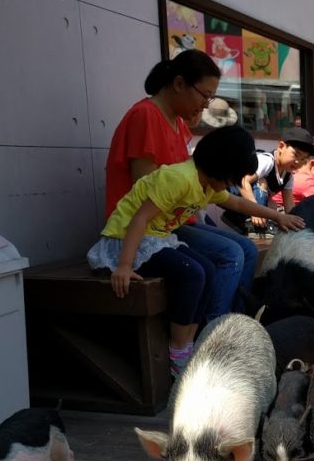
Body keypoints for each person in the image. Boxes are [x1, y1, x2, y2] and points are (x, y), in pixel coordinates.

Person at [88, 126, 304, 379]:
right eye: (230, 179)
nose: (230, 185)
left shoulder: (208, 182)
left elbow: (236, 202)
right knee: (192, 274)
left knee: (207, 270)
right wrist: (124, 265)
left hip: (158, 238)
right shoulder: (180, 178)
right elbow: (138, 219)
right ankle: (178, 352)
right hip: (126, 239)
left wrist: (277, 217)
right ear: (219, 167)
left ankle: (192, 343)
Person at [104, 50, 260, 323]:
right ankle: (211, 333)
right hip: (152, 226)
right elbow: (146, 193)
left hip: (173, 220)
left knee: (246, 249)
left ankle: (236, 323)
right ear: (178, 84)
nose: (205, 104)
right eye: (205, 95)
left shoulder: (177, 122)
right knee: (231, 254)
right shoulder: (146, 116)